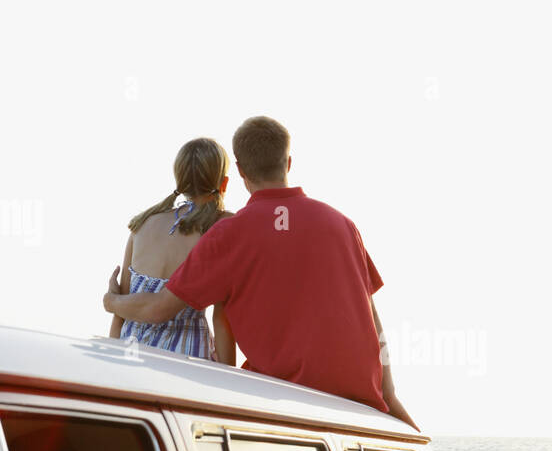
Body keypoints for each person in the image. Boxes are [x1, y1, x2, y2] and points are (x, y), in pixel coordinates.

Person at [104, 115, 417, 428]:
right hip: (360, 406)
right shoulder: (343, 225)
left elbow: (161, 308)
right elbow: (374, 322)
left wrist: (111, 302)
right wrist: (390, 397)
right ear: (288, 162)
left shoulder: (230, 234)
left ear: (240, 170)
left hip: (283, 403)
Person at [109, 137, 235, 364]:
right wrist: (229, 381)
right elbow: (221, 317)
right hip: (186, 359)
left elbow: (122, 311)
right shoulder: (221, 226)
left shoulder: (143, 223)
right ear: (223, 183)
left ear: (180, 179)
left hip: (131, 355)